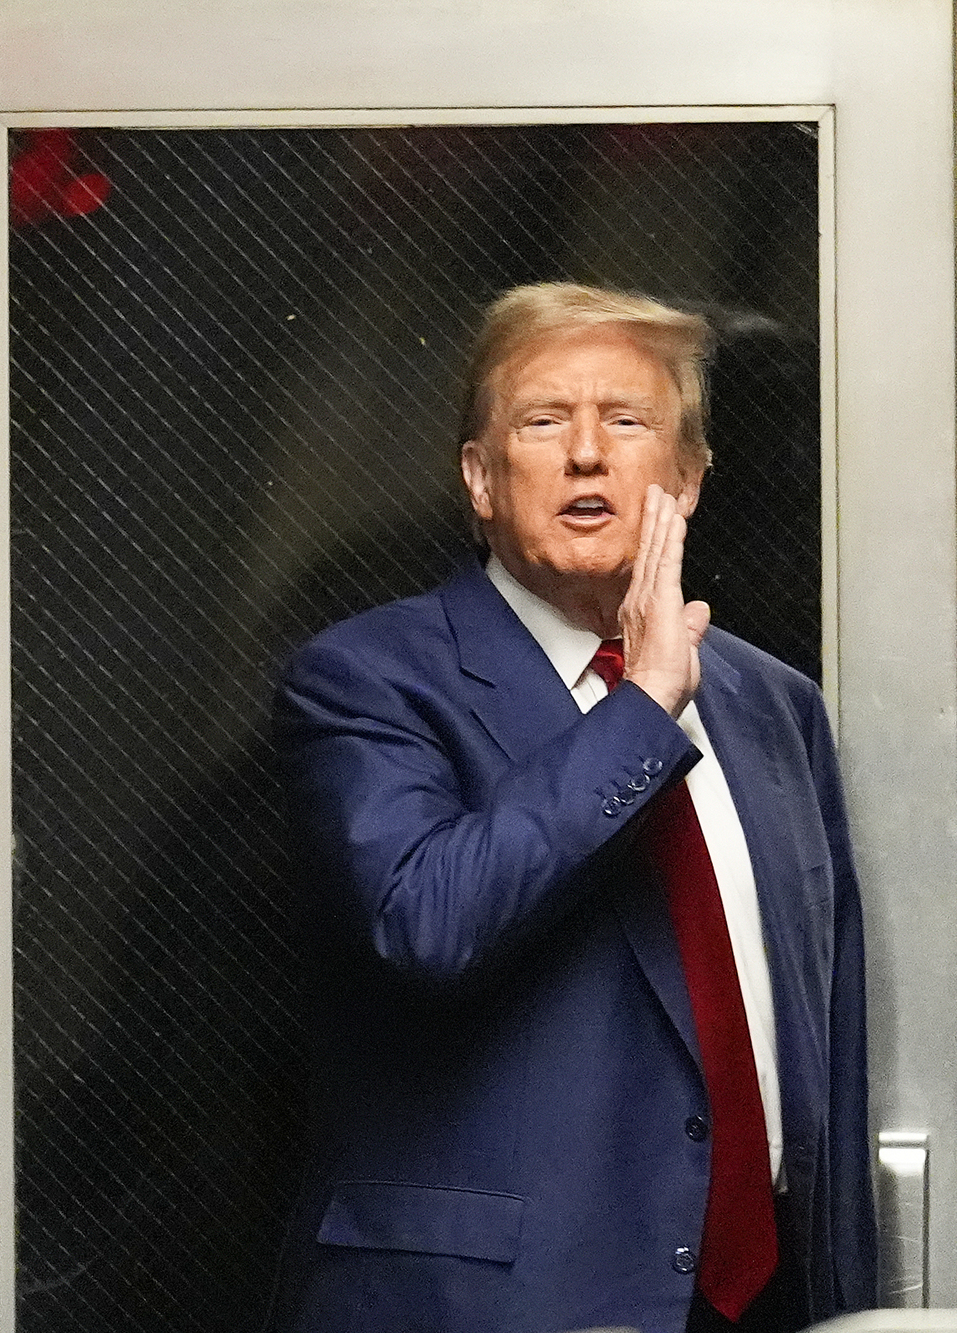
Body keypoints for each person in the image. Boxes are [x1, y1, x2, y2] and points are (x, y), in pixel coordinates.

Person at [265, 283, 875, 1333]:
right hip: (493, 1305)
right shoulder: (367, 677)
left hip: (759, 1301)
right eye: (544, 421)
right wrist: (644, 706)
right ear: (480, 477)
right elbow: (426, 921)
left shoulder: (774, 703)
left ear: (687, 475)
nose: (586, 454)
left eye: (626, 421)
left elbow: (828, 1028)